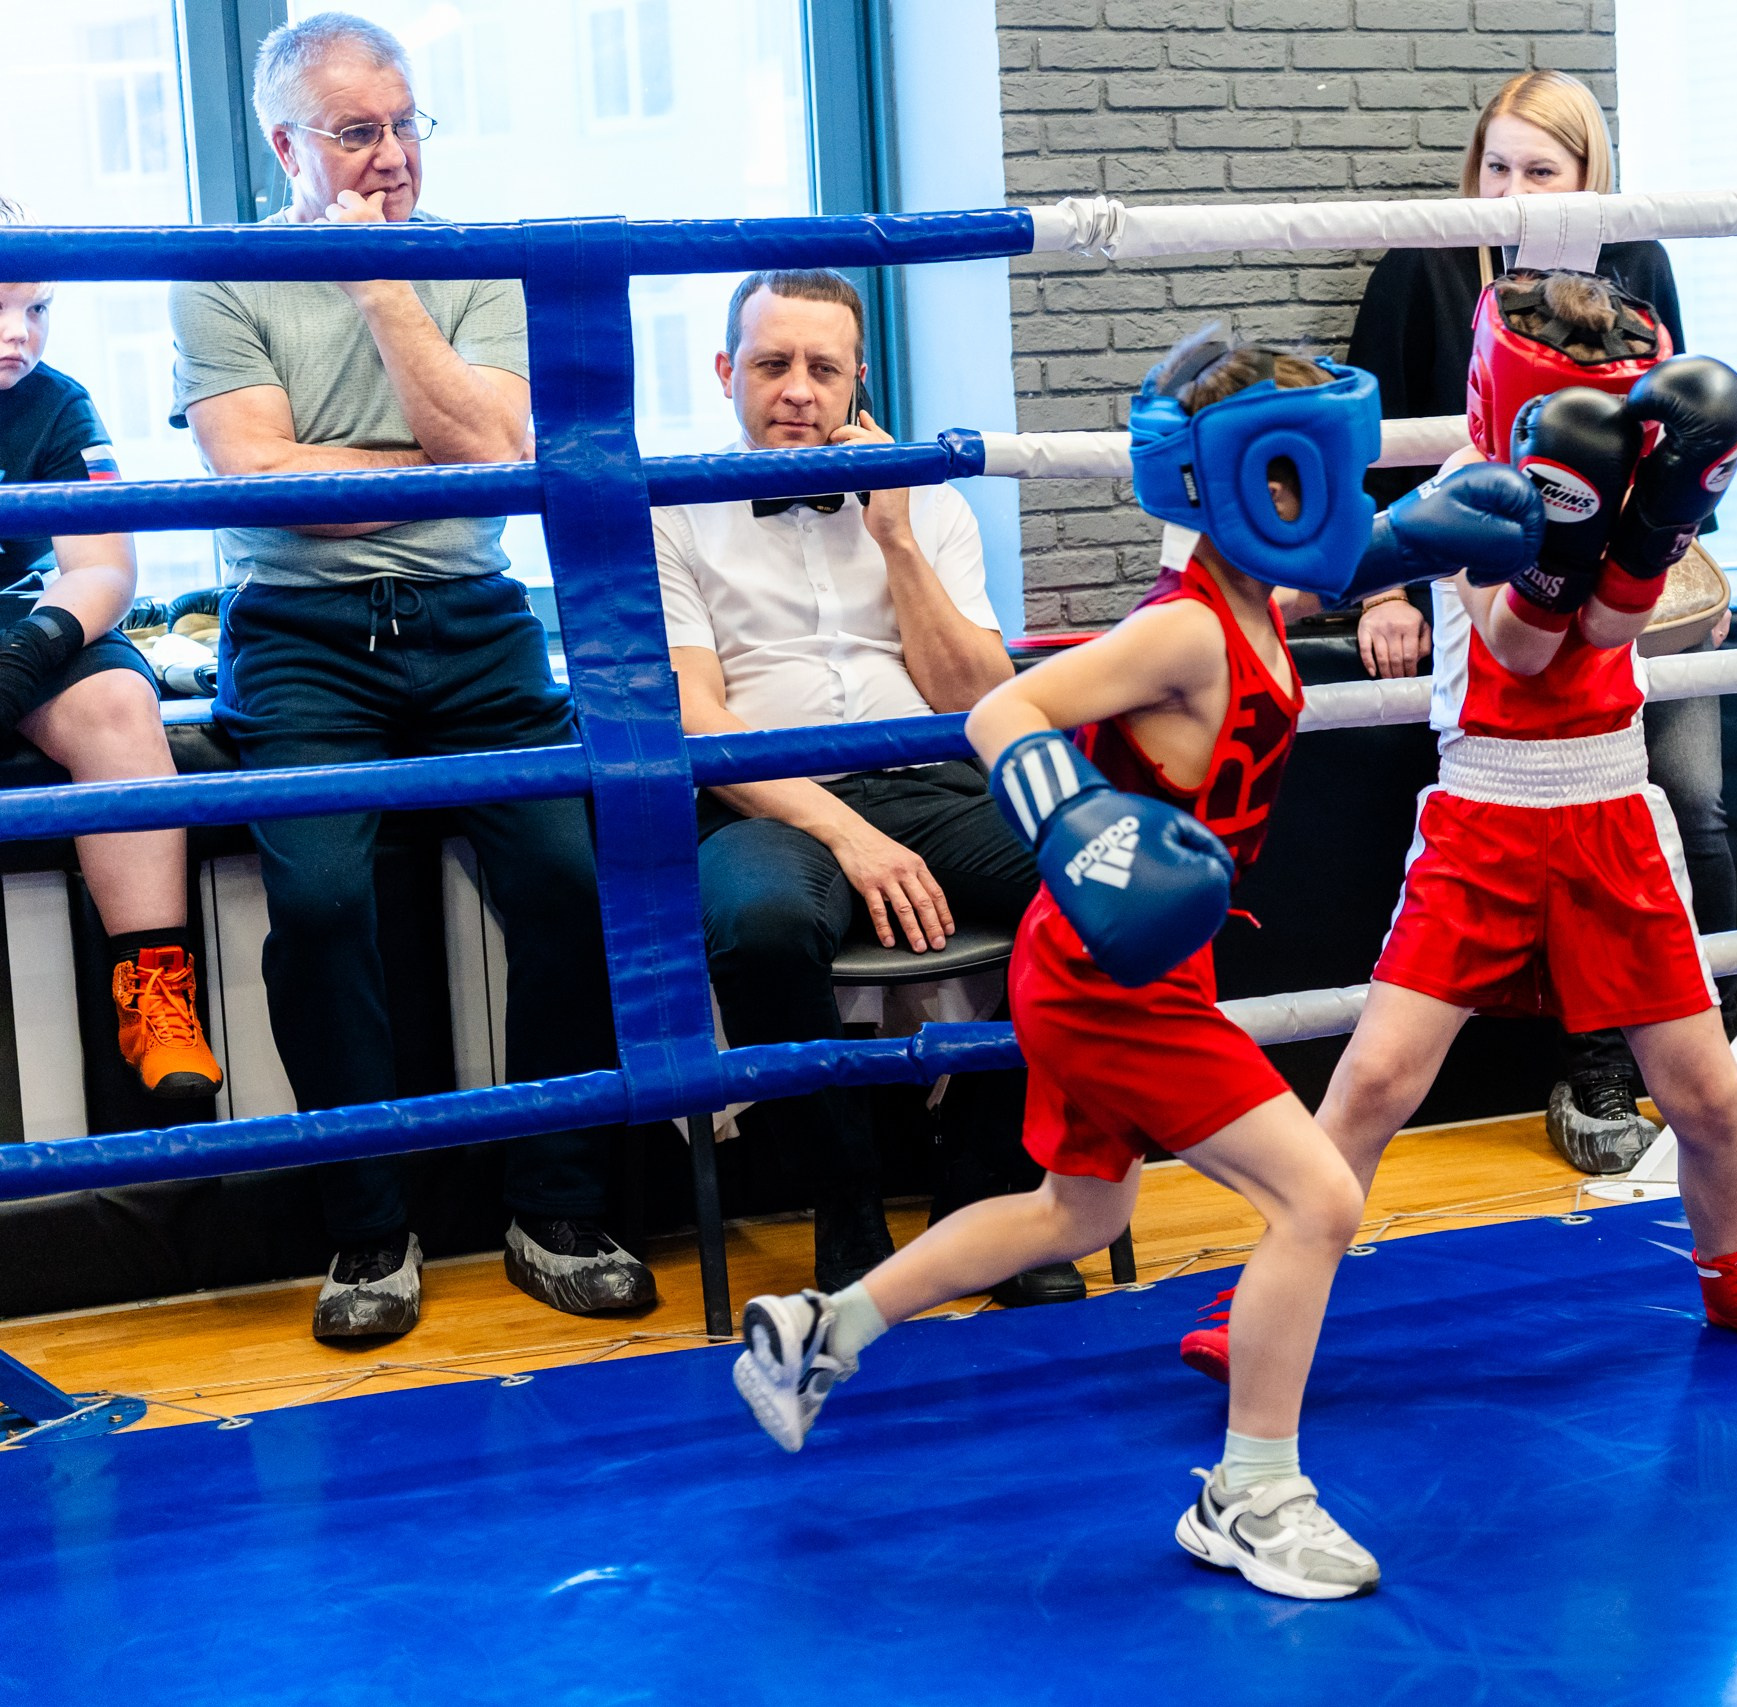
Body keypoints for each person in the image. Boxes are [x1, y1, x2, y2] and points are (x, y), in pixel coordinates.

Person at [733, 328, 1532, 1600]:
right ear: (1245, 484)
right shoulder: (1187, 632)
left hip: (1127, 962)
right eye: (1305, 478)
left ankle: (825, 1330)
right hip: (1111, 973)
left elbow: (1343, 557)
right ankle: (1251, 1493)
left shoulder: (1256, 593)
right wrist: (1072, 821)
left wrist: (1428, 536)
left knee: (1078, 1213)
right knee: (1318, 1201)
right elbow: (1003, 706)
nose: (1329, 502)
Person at [1184, 274, 1737, 1385]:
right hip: (1485, 813)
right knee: (1375, 1083)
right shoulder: (1468, 487)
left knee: (1704, 1096)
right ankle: (1272, 1282)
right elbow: (1523, 643)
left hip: (1609, 805)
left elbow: (1621, 625)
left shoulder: (1640, 467)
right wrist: (1572, 527)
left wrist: (1652, 524)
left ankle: (1734, 1275)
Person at [172, 13, 650, 1341]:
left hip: (478, 622)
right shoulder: (219, 276)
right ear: (286, 148)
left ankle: (557, 1207)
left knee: (571, 877)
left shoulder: (470, 261)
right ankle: (370, 1229)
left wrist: (383, 285)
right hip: (299, 633)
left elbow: (497, 452)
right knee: (321, 903)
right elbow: (261, 476)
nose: (390, 157)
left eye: (403, 126)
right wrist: (434, 464)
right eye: (355, 134)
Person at [658, 268, 1082, 1307]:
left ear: (859, 380)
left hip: (931, 782)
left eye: (823, 367)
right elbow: (696, 715)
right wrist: (848, 834)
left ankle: (984, 1192)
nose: (798, 389)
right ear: (724, 372)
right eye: (772, 363)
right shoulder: (670, 510)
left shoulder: (924, 501)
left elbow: (980, 698)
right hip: (770, 796)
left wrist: (893, 533)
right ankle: (844, 1209)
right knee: (759, 925)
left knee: (1095, 881)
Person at [1346, 67, 1737, 1176]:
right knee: (1379, 1075)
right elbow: (1383, 466)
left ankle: (1640, 1082)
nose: (1514, 192)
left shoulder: (1635, 268)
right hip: (1491, 734)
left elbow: (1675, 440)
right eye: (1498, 167)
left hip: (1607, 720)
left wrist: (1666, 539)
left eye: (1541, 170)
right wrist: (1386, 584)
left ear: (1588, 179)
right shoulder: (1432, 277)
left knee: (1697, 810)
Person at [0, 202, 223, 1101]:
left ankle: (159, 997)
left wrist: (24, 655)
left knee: (120, 706)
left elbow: (102, 566)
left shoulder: (57, 403)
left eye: (37, 308)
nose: (18, 333)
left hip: (23, 620)